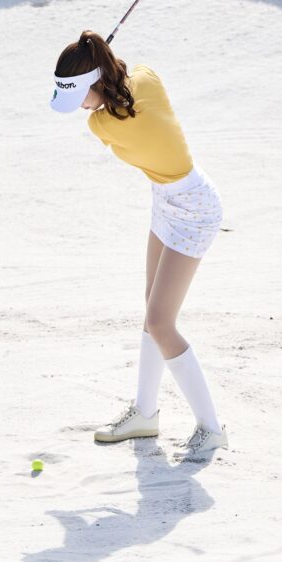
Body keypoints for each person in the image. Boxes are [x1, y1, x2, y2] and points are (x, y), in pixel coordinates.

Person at [51, 30, 228, 458]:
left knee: (160, 322)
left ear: (94, 84)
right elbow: (135, 80)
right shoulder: (146, 77)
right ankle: (145, 414)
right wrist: (107, 66)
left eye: (80, 97)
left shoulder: (100, 125)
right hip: (168, 197)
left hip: (194, 208)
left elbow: (112, 110)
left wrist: (102, 69)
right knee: (152, 310)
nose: (81, 109)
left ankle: (211, 428)